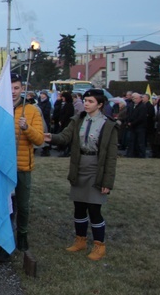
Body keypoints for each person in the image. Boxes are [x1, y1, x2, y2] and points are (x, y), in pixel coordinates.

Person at [44, 89, 118, 261]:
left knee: (94, 208)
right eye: (85, 100)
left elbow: (111, 157)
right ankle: (80, 240)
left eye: (90, 101)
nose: (86, 103)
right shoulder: (78, 120)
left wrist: (107, 181)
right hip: (80, 166)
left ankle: (99, 245)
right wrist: (50, 137)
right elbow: (64, 137)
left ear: (100, 104)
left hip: (96, 168)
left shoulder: (108, 125)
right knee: (79, 207)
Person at [0, 73, 44, 261]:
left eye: (16, 88)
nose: (13, 92)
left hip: (22, 167)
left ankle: (22, 237)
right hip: (2, 167)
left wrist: (27, 128)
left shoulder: (31, 110)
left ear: (22, 89)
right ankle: (4, 243)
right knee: (6, 207)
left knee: (22, 206)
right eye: (9, 88)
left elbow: (39, 139)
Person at [125, 93, 147, 158]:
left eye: (135, 98)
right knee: (131, 141)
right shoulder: (131, 105)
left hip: (140, 127)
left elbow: (141, 118)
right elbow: (128, 114)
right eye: (133, 98)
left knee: (140, 142)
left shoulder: (143, 106)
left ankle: (141, 155)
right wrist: (128, 121)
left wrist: (132, 123)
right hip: (132, 127)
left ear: (140, 98)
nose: (134, 99)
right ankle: (131, 154)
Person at [37, 92, 52, 156]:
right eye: (41, 94)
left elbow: (47, 112)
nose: (41, 95)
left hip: (45, 119)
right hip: (39, 119)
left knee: (45, 133)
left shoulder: (48, 103)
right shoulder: (39, 102)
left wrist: (40, 111)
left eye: (43, 94)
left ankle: (46, 149)